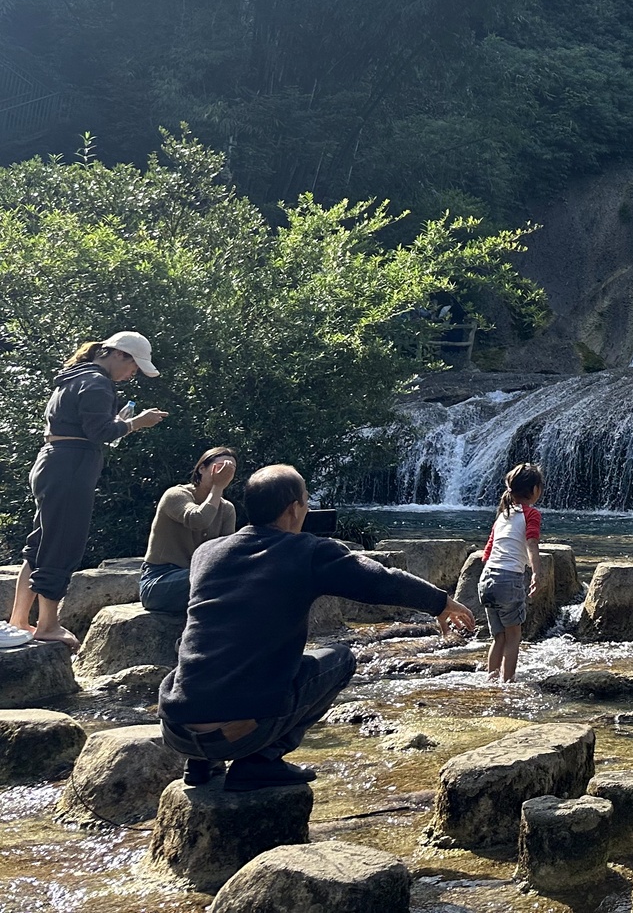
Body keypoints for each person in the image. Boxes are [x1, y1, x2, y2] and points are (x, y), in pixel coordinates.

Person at [159, 465, 475, 789]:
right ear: (294, 508)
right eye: (306, 500)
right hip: (242, 732)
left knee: (206, 643)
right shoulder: (306, 551)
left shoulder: (206, 553)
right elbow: (378, 580)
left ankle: (200, 766)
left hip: (176, 727)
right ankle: (261, 761)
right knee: (340, 658)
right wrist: (440, 603)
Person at [4, 333, 170, 651]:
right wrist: (137, 422)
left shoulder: (73, 377)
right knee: (63, 544)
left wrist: (119, 422)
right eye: (134, 366)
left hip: (53, 463)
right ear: (119, 355)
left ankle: (20, 620)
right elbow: (101, 432)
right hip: (70, 468)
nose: (133, 374)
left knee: (39, 545)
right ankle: (48, 626)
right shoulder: (97, 382)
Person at [139, 447, 239, 615]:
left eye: (230, 470)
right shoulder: (176, 495)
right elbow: (198, 520)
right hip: (160, 580)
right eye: (221, 466)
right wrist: (217, 487)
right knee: (213, 579)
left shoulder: (227, 509)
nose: (225, 473)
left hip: (200, 577)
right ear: (202, 468)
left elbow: (225, 555)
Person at [479, 463, 544, 684]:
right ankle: (508, 684)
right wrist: (536, 572)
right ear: (535, 490)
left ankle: (490, 680)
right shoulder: (531, 514)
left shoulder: (502, 515)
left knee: (499, 637)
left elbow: (488, 551)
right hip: (509, 580)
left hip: (487, 579)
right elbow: (532, 543)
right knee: (514, 637)